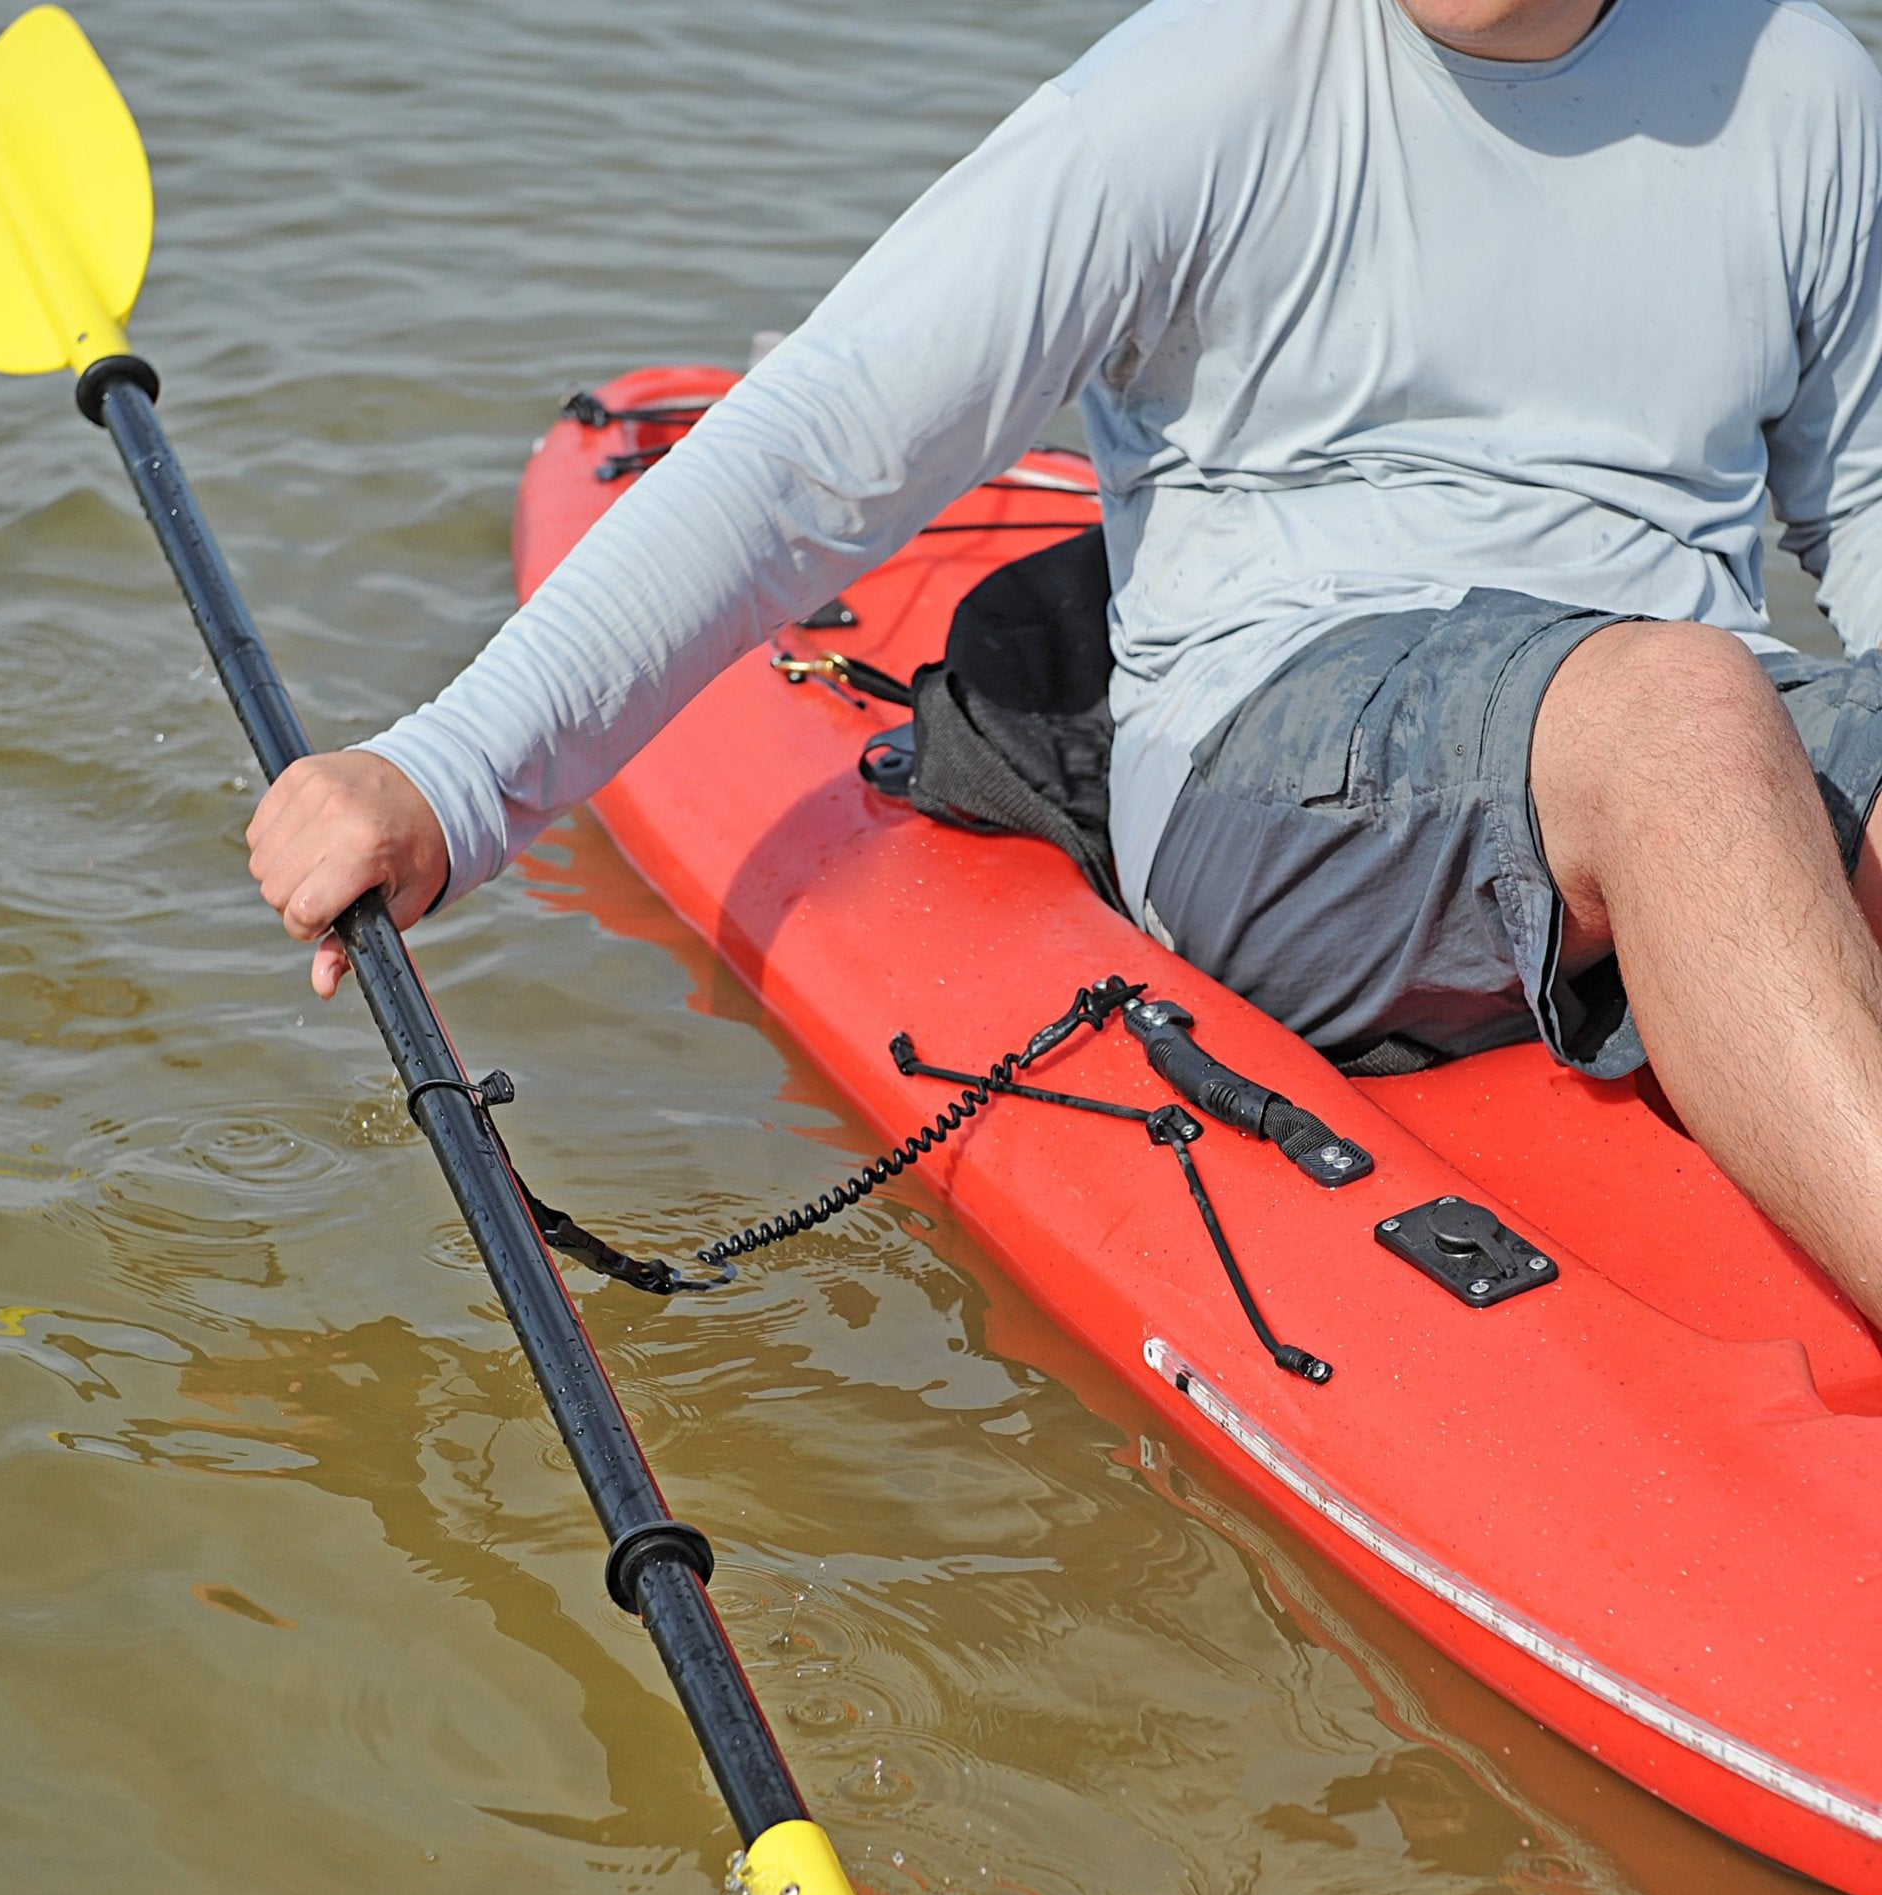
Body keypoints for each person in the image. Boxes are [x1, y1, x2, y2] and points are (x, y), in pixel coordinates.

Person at [245, 0, 1882, 1323]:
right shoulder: (1198, 85)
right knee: (1680, 708)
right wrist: (446, 777)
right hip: (1282, 755)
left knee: (1693, 707)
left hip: (1667, 721)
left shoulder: (1803, 92)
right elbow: (811, 457)